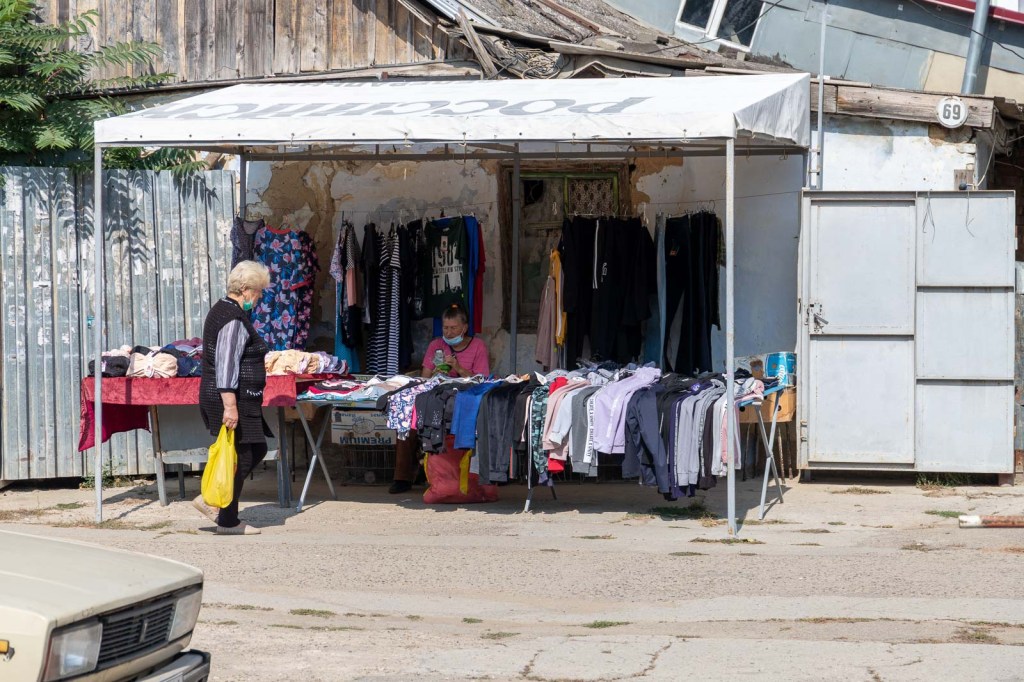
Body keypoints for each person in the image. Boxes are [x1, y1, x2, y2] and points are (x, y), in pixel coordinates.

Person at [193, 260, 273, 535]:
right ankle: (222, 512)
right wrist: (230, 406)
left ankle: (222, 510)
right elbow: (226, 363)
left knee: (246, 451)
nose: (260, 298)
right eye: (259, 292)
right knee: (245, 452)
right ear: (246, 289)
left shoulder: (225, 311)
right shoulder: (233, 319)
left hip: (236, 397)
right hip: (229, 398)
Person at [389, 304, 490, 494]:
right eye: (446, 328)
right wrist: (435, 372)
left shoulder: (478, 346)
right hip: (435, 395)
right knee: (406, 416)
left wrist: (458, 368)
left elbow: (481, 381)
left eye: (453, 328)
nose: (449, 333)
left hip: (463, 398)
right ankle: (402, 477)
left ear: (464, 328)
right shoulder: (436, 345)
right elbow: (425, 378)